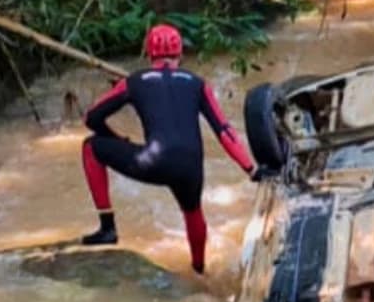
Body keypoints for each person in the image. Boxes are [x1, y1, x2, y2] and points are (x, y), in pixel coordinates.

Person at [79, 23, 260, 274]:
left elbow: (91, 118)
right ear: (180, 53)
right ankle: (199, 269)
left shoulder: (133, 81)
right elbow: (224, 130)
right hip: (190, 166)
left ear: (148, 53)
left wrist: (116, 139)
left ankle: (107, 227)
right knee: (192, 210)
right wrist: (250, 168)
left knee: (90, 147)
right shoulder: (198, 84)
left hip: (153, 160)